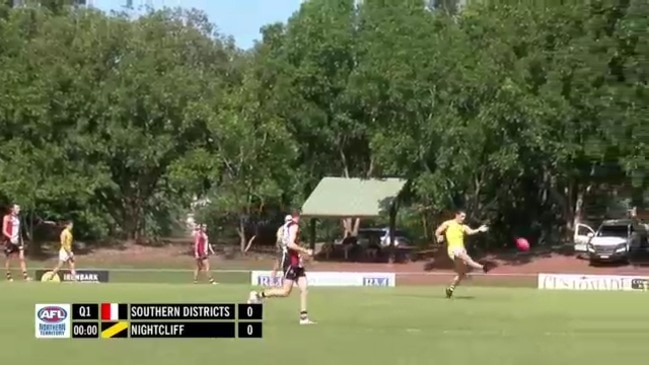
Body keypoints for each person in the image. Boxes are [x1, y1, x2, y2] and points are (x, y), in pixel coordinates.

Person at [248, 210, 315, 325]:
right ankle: (258, 296)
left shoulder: (284, 228)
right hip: (291, 262)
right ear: (297, 217)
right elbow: (290, 244)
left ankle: (303, 317)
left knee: (304, 288)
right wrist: (305, 250)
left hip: (296, 262)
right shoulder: (294, 226)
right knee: (285, 291)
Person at [435, 210, 493, 298]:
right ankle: (482, 267)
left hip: (461, 249)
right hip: (453, 249)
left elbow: (470, 232)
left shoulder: (463, 227)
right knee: (466, 258)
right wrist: (438, 236)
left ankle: (450, 289)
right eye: (462, 216)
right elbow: (438, 231)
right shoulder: (448, 223)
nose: (463, 218)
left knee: (461, 274)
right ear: (456, 215)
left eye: (464, 217)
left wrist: (479, 230)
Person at [2, 204, 30, 281]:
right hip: (9, 240)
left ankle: (25, 276)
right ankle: (9, 276)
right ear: (12, 209)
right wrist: (11, 237)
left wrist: (22, 238)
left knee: (22, 258)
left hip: (18, 240)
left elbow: (20, 229)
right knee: (9, 259)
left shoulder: (19, 218)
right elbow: (4, 231)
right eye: (17, 208)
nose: (19, 209)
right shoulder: (7, 218)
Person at [269, 215, 293, 282]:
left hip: (290, 251)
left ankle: (289, 281)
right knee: (278, 265)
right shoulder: (282, 229)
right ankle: (272, 281)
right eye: (288, 220)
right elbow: (279, 240)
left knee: (290, 266)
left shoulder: (292, 229)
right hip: (282, 250)